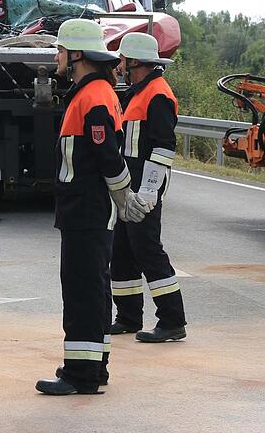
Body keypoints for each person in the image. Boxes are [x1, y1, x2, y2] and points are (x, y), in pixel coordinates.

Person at [36, 19, 140, 397]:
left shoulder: (93, 97)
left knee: (83, 291)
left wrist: (125, 199)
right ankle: (93, 366)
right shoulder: (94, 93)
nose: (57, 57)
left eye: (61, 51)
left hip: (87, 209)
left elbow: (107, 157)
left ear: (78, 54)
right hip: (87, 208)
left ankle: (80, 375)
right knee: (93, 288)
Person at [110, 33, 187, 342]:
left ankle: (172, 320)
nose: (119, 66)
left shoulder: (158, 94)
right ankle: (128, 317)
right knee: (122, 249)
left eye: (122, 60)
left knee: (147, 249)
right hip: (129, 185)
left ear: (135, 62)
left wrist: (148, 191)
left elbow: (163, 147)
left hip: (144, 186)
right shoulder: (137, 92)